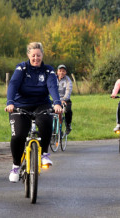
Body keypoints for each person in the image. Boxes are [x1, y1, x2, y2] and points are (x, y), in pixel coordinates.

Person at [5, 42, 62, 183]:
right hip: (20, 105)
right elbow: (13, 84)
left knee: (47, 121)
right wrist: (10, 102)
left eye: (38, 55)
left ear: (42, 55)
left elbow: (52, 86)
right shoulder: (21, 68)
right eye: (33, 55)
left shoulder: (48, 70)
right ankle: (16, 166)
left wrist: (57, 103)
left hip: (41, 104)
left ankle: (44, 154)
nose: (36, 58)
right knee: (18, 136)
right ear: (28, 55)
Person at [57, 64, 73, 134]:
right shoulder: (53, 79)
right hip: (55, 99)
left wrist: (64, 99)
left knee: (68, 110)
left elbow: (68, 91)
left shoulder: (68, 80)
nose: (61, 73)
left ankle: (68, 125)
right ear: (57, 72)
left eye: (63, 71)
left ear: (65, 72)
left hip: (65, 99)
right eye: (60, 71)